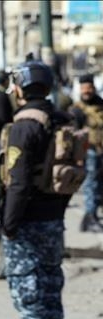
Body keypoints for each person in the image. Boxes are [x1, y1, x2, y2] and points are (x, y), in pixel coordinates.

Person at [0, 57, 73, 319]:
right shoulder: (59, 119)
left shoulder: (25, 126)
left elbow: (18, 181)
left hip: (28, 222)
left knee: (29, 296)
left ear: (21, 88)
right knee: (50, 291)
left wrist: (8, 225)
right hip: (53, 218)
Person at [70, 74, 103, 233]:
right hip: (87, 152)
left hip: (100, 152)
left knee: (98, 185)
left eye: (88, 87)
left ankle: (93, 215)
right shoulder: (77, 109)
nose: (86, 91)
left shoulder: (100, 104)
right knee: (91, 185)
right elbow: (73, 134)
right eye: (83, 88)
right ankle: (89, 217)